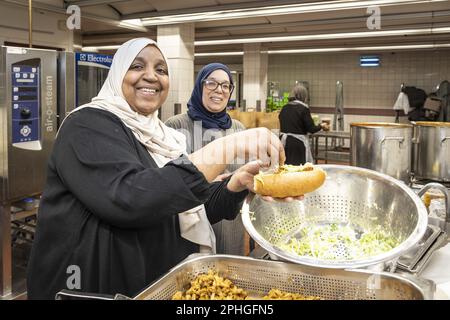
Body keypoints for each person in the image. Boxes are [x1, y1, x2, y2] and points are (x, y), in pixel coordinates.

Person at [26, 38, 295, 299]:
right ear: (118, 73)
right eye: (137, 66)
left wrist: (235, 184)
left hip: (153, 282)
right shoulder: (86, 125)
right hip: (92, 284)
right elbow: (132, 199)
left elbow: (181, 204)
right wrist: (227, 147)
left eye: (161, 70)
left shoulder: (162, 135)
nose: (152, 76)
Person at [165, 63, 247, 256]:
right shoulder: (176, 125)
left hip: (231, 224)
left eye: (226, 85)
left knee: (229, 278)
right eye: (211, 83)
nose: (219, 90)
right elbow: (169, 183)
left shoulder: (237, 129)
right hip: (192, 226)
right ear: (199, 86)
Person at [278, 84, 329, 165]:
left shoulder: (284, 107)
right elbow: (311, 129)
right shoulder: (304, 109)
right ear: (304, 96)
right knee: (298, 169)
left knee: (286, 167)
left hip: (283, 142)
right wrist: (321, 126)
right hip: (297, 144)